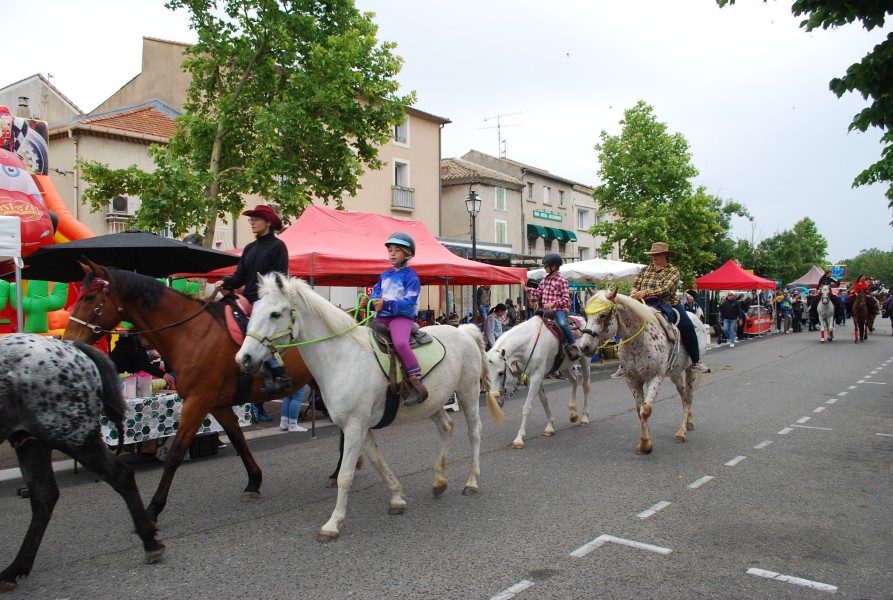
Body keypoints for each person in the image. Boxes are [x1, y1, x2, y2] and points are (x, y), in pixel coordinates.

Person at [215, 204, 291, 420]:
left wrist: (269, 296)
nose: (252, 222)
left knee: (255, 330)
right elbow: (239, 277)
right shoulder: (249, 248)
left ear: (268, 222)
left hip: (266, 301)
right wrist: (226, 282)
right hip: (246, 298)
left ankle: (278, 374)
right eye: (251, 219)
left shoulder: (278, 246)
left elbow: (281, 277)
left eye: (256, 219)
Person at [362, 232, 428, 405]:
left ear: (407, 254)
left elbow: (408, 303)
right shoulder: (384, 276)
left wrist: (386, 305)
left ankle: (416, 381)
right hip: (382, 317)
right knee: (362, 337)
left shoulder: (411, 277)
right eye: (390, 250)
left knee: (400, 343)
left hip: (401, 318)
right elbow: (376, 296)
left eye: (397, 250)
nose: (392, 254)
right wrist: (367, 302)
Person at [630, 242, 710, 373]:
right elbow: (635, 285)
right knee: (626, 323)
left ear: (665, 255)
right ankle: (624, 363)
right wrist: (634, 292)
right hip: (644, 304)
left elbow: (666, 288)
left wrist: (646, 292)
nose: (654, 257)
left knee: (688, 326)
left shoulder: (672, 271)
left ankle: (696, 361)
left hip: (669, 303)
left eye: (657, 254)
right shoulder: (644, 270)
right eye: (652, 255)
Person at [526, 253, 581, 361]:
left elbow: (566, 299)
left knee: (562, 323)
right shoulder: (544, 280)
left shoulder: (562, 281)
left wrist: (553, 304)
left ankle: (573, 345)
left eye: (546, 266)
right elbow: (538, 293)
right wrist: (526, 288)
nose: (544, 268)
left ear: (554, 267)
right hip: (544, 310)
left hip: (557, 310)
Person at [109, 333, 177, 390]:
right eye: (149, 340)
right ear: (142, 337)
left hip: (120, 378)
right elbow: (146, 365)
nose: (150, 343)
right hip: (119, 380)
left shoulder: (132, 343)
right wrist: (163, 374)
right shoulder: (135, 346)